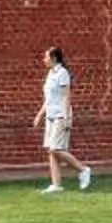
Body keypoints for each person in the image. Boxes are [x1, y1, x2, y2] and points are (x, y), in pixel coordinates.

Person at [35, 46, 91, 193]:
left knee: (56, 149)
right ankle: (56, 185)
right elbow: (49, 99)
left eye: (46, 57)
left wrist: (66, 118)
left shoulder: (62, 73)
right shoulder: (50, 73)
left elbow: (66, 96)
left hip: (61, 115)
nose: (44, 60)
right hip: (50, 116)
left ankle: (83, 169)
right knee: (51, 151)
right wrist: (40, 115)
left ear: (54, 58)